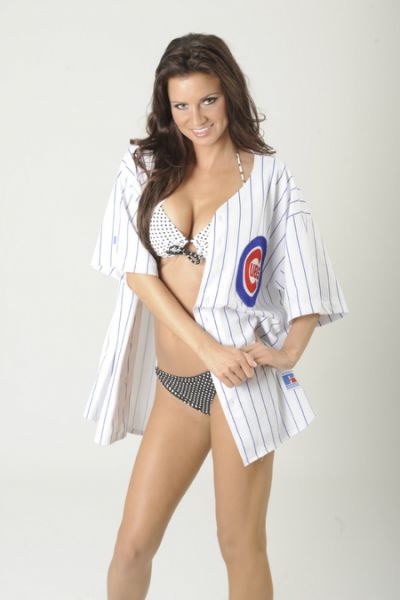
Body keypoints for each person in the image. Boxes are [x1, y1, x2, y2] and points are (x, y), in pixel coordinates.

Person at [84, 33, 349, 600]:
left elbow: (309, 275)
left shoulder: (269, 179)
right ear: (166, 107)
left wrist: (289, 352)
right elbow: (137, 273)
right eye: (181, 105)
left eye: (208, 100)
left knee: (240, 544)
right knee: (132, 547)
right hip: (179, 386)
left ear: (229, 93)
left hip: (242, 385)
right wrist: (208, 350)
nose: (196, 118)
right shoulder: (145, 167)